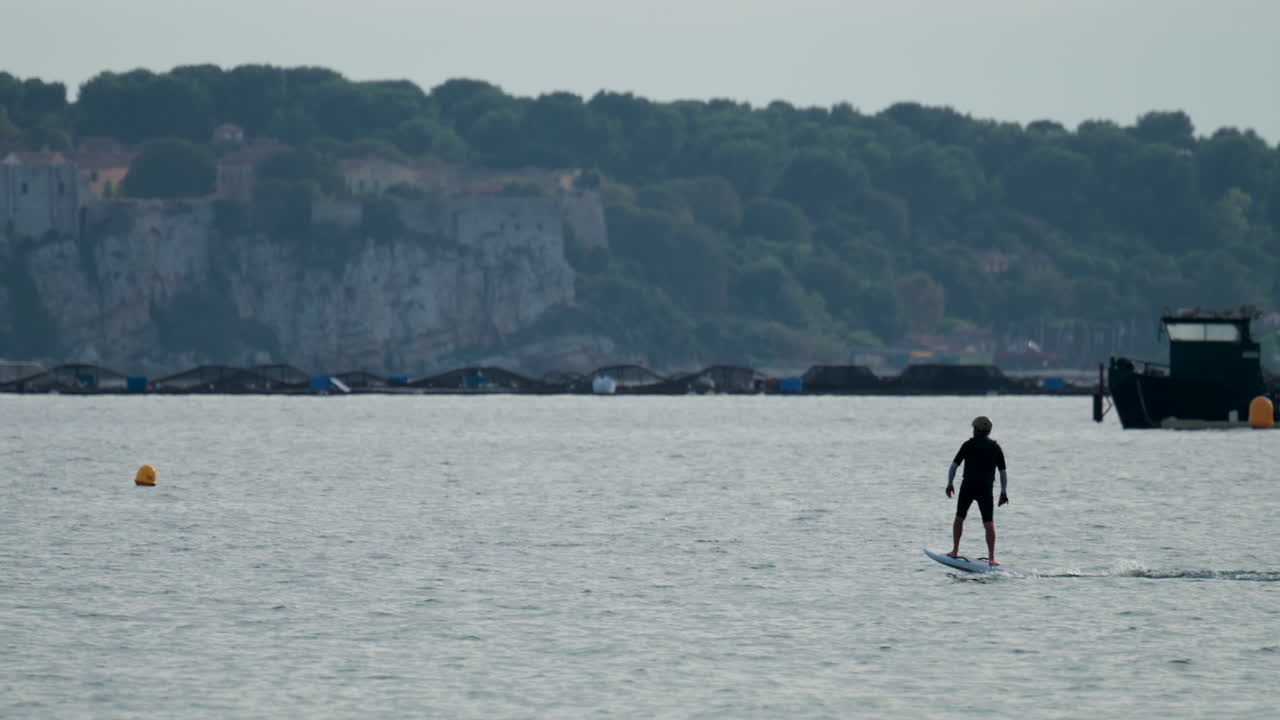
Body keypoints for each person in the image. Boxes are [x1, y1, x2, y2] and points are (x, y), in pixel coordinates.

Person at [945, 415, 1008, 565]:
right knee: (988, 523)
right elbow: (1003, 472)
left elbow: (954, 466)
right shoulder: (995, 447)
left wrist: (950, 483)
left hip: (968, 487)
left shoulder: (968, 445)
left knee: (959, 518)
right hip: (985, 489)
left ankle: (955, 551)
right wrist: (1003, 492)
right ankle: (992, 558)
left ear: (977, 429)